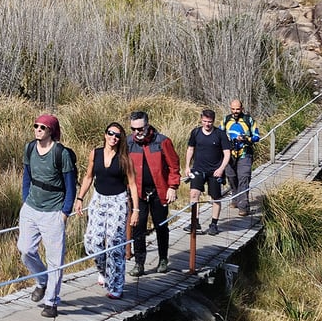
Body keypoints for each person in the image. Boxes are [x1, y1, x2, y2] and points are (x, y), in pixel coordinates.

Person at [18, 113, 77, 319]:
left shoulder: (61, 154)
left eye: (42, 127)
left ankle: (51, 301)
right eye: (36, 126)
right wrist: (25, 199)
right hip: (31, 208)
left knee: (55, 259)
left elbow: (70, 185)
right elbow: (27, 175)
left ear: (51, 131)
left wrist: (65, 212)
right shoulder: (29, 149)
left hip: (54, 211)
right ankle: (42, 281)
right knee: (25, 250)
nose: (38, 130)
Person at [75, 122, 139, 299]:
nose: (113, 137)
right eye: (111, 133)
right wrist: (80, 198)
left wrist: (136, 210)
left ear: (121, 139)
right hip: (98, 199)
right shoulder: (95, 154)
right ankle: (103, 271)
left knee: (114, 243)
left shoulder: (125, 158)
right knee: (92, 243)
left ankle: (116, 286)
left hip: (118, 201)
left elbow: (133, 185)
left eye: (117, 135)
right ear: (105, 134)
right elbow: (88, 177)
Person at [126, 111, 181, 276]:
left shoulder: (162, 141)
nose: (137, 132)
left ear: (147, 125)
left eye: (140, 129)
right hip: (138, 193)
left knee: (161, 225)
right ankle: (139, 263)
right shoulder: (128, 143)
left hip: (159, 190)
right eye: (133, 129)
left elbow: (174, 165)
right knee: (138, 227)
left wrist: (173, 186)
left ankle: (163, 259)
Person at [184, 109, 232, 235]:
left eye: (209, 122)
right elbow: (190, 149)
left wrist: (221, 169)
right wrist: (187, 166)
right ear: (201, 120)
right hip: (198, 169)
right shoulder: (195, 133)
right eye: (205, 121)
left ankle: (214, 224)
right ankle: (195, 222)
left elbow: (227, 153)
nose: (207, 124)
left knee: (216, 197)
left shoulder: (220, 134)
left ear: (213, 121)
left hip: (214, 171)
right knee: (194, 194)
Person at [222, 100, 261, 216]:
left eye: (238, 109)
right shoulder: (226, 120)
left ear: (242, 108)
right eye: (233, 109)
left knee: (244, 177)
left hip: (245, 153)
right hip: (230, 154)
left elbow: (257, 136)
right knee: (231, 177)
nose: (235, 111)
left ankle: (244, 206)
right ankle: (235, 198)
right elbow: (220, 134)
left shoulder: (249, 120)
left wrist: (245, 138)